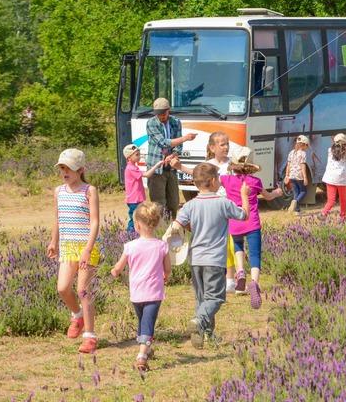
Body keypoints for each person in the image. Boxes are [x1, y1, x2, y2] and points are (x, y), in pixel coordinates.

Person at [164, 162, 249, 348]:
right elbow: (244, 215)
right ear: (212, 181)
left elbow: (178, 225)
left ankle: (203, 336)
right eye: (218, 178)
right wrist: (244, 196)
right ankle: (199, 321)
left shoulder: (190, 205)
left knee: (202, 298)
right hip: (215, 260)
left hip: (195, 259)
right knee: (216, 298)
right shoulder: (223, 203)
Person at [46, 149, 102, 353]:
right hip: (68, 248)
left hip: (87, 246)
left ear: (80, 170)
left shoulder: (89, 190)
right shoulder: (58, 191)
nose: (65, 172)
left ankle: (90, 336)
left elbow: (95, 222)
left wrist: (88, 249)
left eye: (68, 168)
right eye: (62, 168)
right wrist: (54, 241)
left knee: (83, 291)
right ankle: (77, 315)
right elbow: (57, 219)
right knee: (62, 288)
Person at [171, 131, 238, 294]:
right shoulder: (209, 164)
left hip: (228, 208)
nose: (226, 147)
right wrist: (179, 167)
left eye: (227, 143)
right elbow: (196, 173)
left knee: (230, 243)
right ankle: (220, 277)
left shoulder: (233, 163)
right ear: (212, 147)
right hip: (212, 208)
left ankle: (231, 278)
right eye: (222, 144)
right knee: (217, 243)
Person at [109, 201, 171, 371]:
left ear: (136, 225)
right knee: (148, 323)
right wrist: (165, 276)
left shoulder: (130, 247)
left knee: (144, 321)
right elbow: (168, 269)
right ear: (156, 223)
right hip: (154, 293)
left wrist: (113, 272)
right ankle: (142, 356)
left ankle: (145, 348)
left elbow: (118, 268)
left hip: (136, 293)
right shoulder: (161, 246)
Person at [220, 147, 283, 309]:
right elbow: (268, 197)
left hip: (235, 221)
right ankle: (254, 282)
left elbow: (207, 177)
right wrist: (276, 192)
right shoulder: (255, 182)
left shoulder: (227, 179)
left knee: (238, 247)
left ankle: (240, 272)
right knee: (255, 254)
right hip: (252, 221)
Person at [146, 98, 197, 217]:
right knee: (159, 204)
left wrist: (173, 155)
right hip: (157, 168)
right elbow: (163, 142)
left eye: (163, 113)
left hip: (171, 168)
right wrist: (185, 138)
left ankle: (173, 229)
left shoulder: (176, 122)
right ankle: (160, 231)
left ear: (168, 110)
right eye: (158, 114)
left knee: (174, 203)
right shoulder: (151, 123)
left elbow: (178, 146)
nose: (161, 116)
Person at [122, 144, 166, 233]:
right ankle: (129, 235)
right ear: (129, 158)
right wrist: (157, 165)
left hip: (137, 199)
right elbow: (147, 174)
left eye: (139, 154)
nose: (139, 156)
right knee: (135, 219)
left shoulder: (133, 167)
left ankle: (134, 235)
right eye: (136, 155)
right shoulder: (131, 168)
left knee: (137, 218)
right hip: (135, 199)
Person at [321, 133, 346, 221]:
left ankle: (323, 213)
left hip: (329, 178)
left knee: (331, 200)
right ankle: (342, 218)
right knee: (343, 200)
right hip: (340, 180)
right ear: (344, 144)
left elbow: (335, 147)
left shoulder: (329, 151)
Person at [284, 135, 310, 214]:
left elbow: (288, 165)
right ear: (304, 145)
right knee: (303, 191)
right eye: (307, 145)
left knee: (296, 193)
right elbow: (303, 165)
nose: (307, 147)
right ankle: (295, 201)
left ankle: (297, 211)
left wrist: (287, 175)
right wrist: (305, 177)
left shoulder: (291, 152)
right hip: (299, 175)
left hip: (292, 175)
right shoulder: (303, 153)